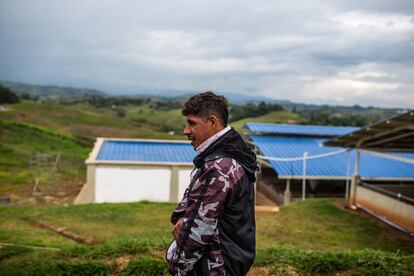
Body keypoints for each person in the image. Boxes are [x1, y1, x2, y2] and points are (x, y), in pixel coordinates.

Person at [166, 91, 257, 275]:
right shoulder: (229, 154)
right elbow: (190, 207)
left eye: (192, 123)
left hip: (215, 268)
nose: (185, 130)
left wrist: (176, 268)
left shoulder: (219, 167)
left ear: (213, 122)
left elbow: (195, 234)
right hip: (231, 261)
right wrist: (182, 217)